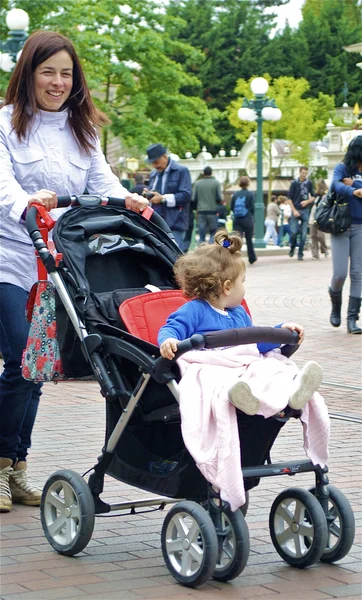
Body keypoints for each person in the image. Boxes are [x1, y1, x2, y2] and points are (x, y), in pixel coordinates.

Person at [0, 30, 149, 513]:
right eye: (48, 71)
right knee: (24, 358)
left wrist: (128, 198)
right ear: (28, 73)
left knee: (37, 368)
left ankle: (15, 467)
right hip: (11, 258)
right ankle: (0, 466)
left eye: (66, 73)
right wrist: (26, 203)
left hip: (59, 264)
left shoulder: (82, 129)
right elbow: (4, 190)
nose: (58, 82)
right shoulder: (4, 124)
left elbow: (101, 179)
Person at [158, 230, 323, 416]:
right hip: (216, 366)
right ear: (228, 287)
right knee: (210, 376)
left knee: (267, 366)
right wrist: (169, 340)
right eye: (242, 281)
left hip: (241, 367)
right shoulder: (194, 310)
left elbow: (253, 345)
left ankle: (291, 390)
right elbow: (171, 328)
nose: (244, 287)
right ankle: (244, 397)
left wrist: (280, 332)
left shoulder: (239, 313)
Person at [328, 135, 362, 334]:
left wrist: (354, 186)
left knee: (358, 274)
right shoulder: (343, 168)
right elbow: (334, 185)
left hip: (361, 227)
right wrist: (352, 191)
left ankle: (352, 319)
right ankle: (335, 301)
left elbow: (347, 186)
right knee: (340, 274)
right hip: (341, 226)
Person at [146, 143, 192, 251]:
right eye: (153, 163)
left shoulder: (181, 170)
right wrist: (149, 194)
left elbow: (186, 195)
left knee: (175, 257)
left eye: (156, 162)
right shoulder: (154, 174)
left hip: (175, 222)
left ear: (165, 156)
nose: (155, 165)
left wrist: (162, 199)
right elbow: (155, 194)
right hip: (156, 222)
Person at [288, 166, 315, 261]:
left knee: (303, 234)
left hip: (305, 210)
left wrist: (307, 202)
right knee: (293, 232)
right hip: (296, 209)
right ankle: (292, 247)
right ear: (299, 172)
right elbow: (289, 198)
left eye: (305, 173)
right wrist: (294, 210)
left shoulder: (309, 183)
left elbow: (313, 197)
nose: (304, 175)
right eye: (303, 173)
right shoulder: (294, 183)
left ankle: (300, 253)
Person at [230, 176, 257, 264]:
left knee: (237, 240)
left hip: (237, 220)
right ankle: (251, 258)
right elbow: (253, 208)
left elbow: (231, 207)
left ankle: (237, 259)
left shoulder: (236, 194)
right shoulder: (250, 194)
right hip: (247, 219)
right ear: (248, 183)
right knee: (249, 240)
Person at [192, 166, 222, 244]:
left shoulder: (197, 183)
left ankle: (202, 248)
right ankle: (211, 247)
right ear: (211, 173)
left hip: (201, 211)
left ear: (203, 173)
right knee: (213, 232)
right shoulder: (216, 183)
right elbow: (220, 198)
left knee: (201, 233)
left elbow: (193, 198)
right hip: (212, 210)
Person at [309, 179, 329, 260]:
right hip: (313, 217)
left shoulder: (326, 196)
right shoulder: (315, 196)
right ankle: (315, 255)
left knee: (320, 236)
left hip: (321, 218)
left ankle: (324, 249)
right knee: (313, 236)